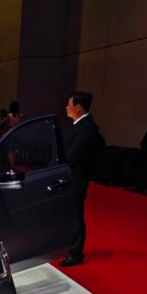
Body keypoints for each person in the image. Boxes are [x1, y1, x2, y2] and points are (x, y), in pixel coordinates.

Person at [59, 91, 105, 267]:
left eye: (69, 104)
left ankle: (76, 253)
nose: (66, 107)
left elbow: (73, 154)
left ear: (78, 108)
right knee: (70, 214)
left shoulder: (87, 127)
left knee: (75, 215)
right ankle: (69, 248)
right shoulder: (79, 125)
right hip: (70, 176)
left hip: (76, 178)